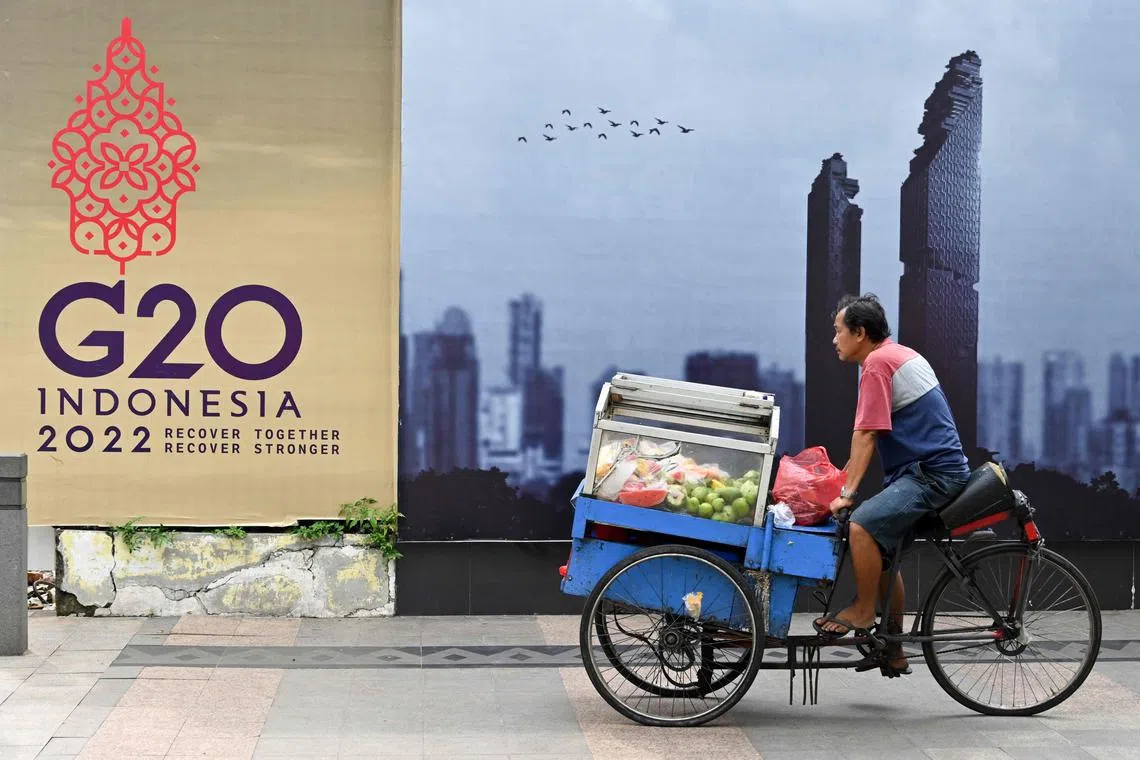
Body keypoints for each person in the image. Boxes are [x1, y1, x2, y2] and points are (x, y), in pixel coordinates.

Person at [812, 293, 971, 676]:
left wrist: (848, 495)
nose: (834, 340)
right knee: (883, 550)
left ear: (860, 333)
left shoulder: (877, 365)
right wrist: (842, 480)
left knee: (862, 527)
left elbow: (866, 434)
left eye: (838, 331)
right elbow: (868, 436)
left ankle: (865, 610)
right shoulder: (895, 354)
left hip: (932, 475)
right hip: (927, 471)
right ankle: (893, 649)